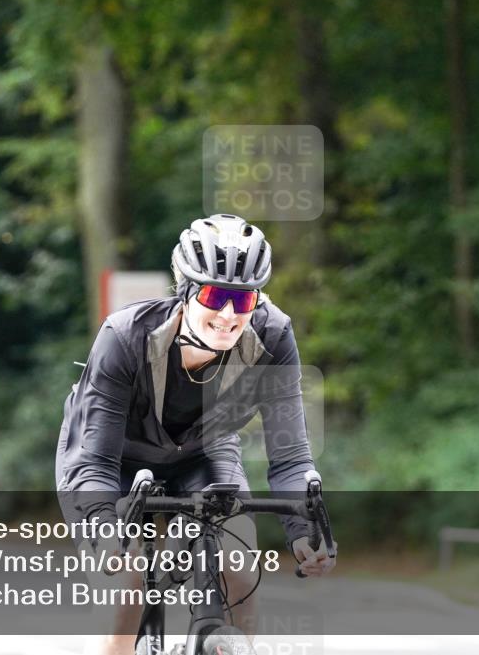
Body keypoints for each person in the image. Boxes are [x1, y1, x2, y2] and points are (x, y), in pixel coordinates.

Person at [56, 214, 335, 655]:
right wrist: (104, 527)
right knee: (126, 590)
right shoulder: (125, 337)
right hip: (115, 456)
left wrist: (304, 530)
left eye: (242, 301)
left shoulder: (274, 335)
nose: (228, 315)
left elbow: (292, 456)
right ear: (186, 291)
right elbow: (94, 462)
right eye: (215, 295)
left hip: (205, 449)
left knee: (241, 571)